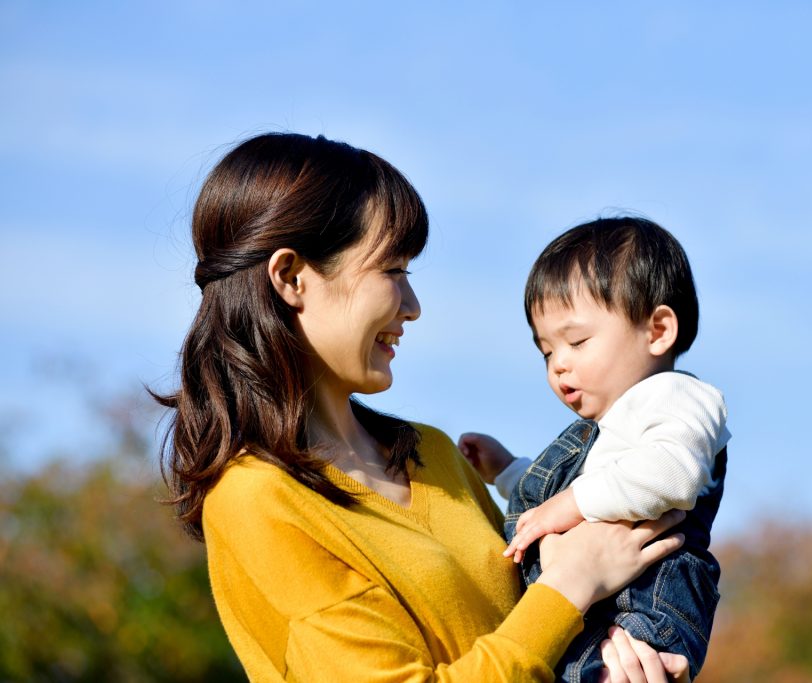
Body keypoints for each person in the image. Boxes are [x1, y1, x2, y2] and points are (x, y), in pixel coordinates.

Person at [155, 133, 691, 682]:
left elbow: (540, 633)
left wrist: (619, 656)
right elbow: (553, 603)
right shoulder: (256, 498)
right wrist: (570, 587)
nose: (412, 307)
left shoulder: (432, 453)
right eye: (392, 272)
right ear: (292, 277)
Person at [459, 217, 730, 680]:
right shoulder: (606, 430)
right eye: (546, 351)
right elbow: (573, 488)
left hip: (646, 605)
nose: (559, 364)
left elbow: (671, 473)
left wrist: (570, 505)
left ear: (658, 330)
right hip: (593, 602)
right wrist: (506, 470)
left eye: (577, 341)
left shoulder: (678, 398)